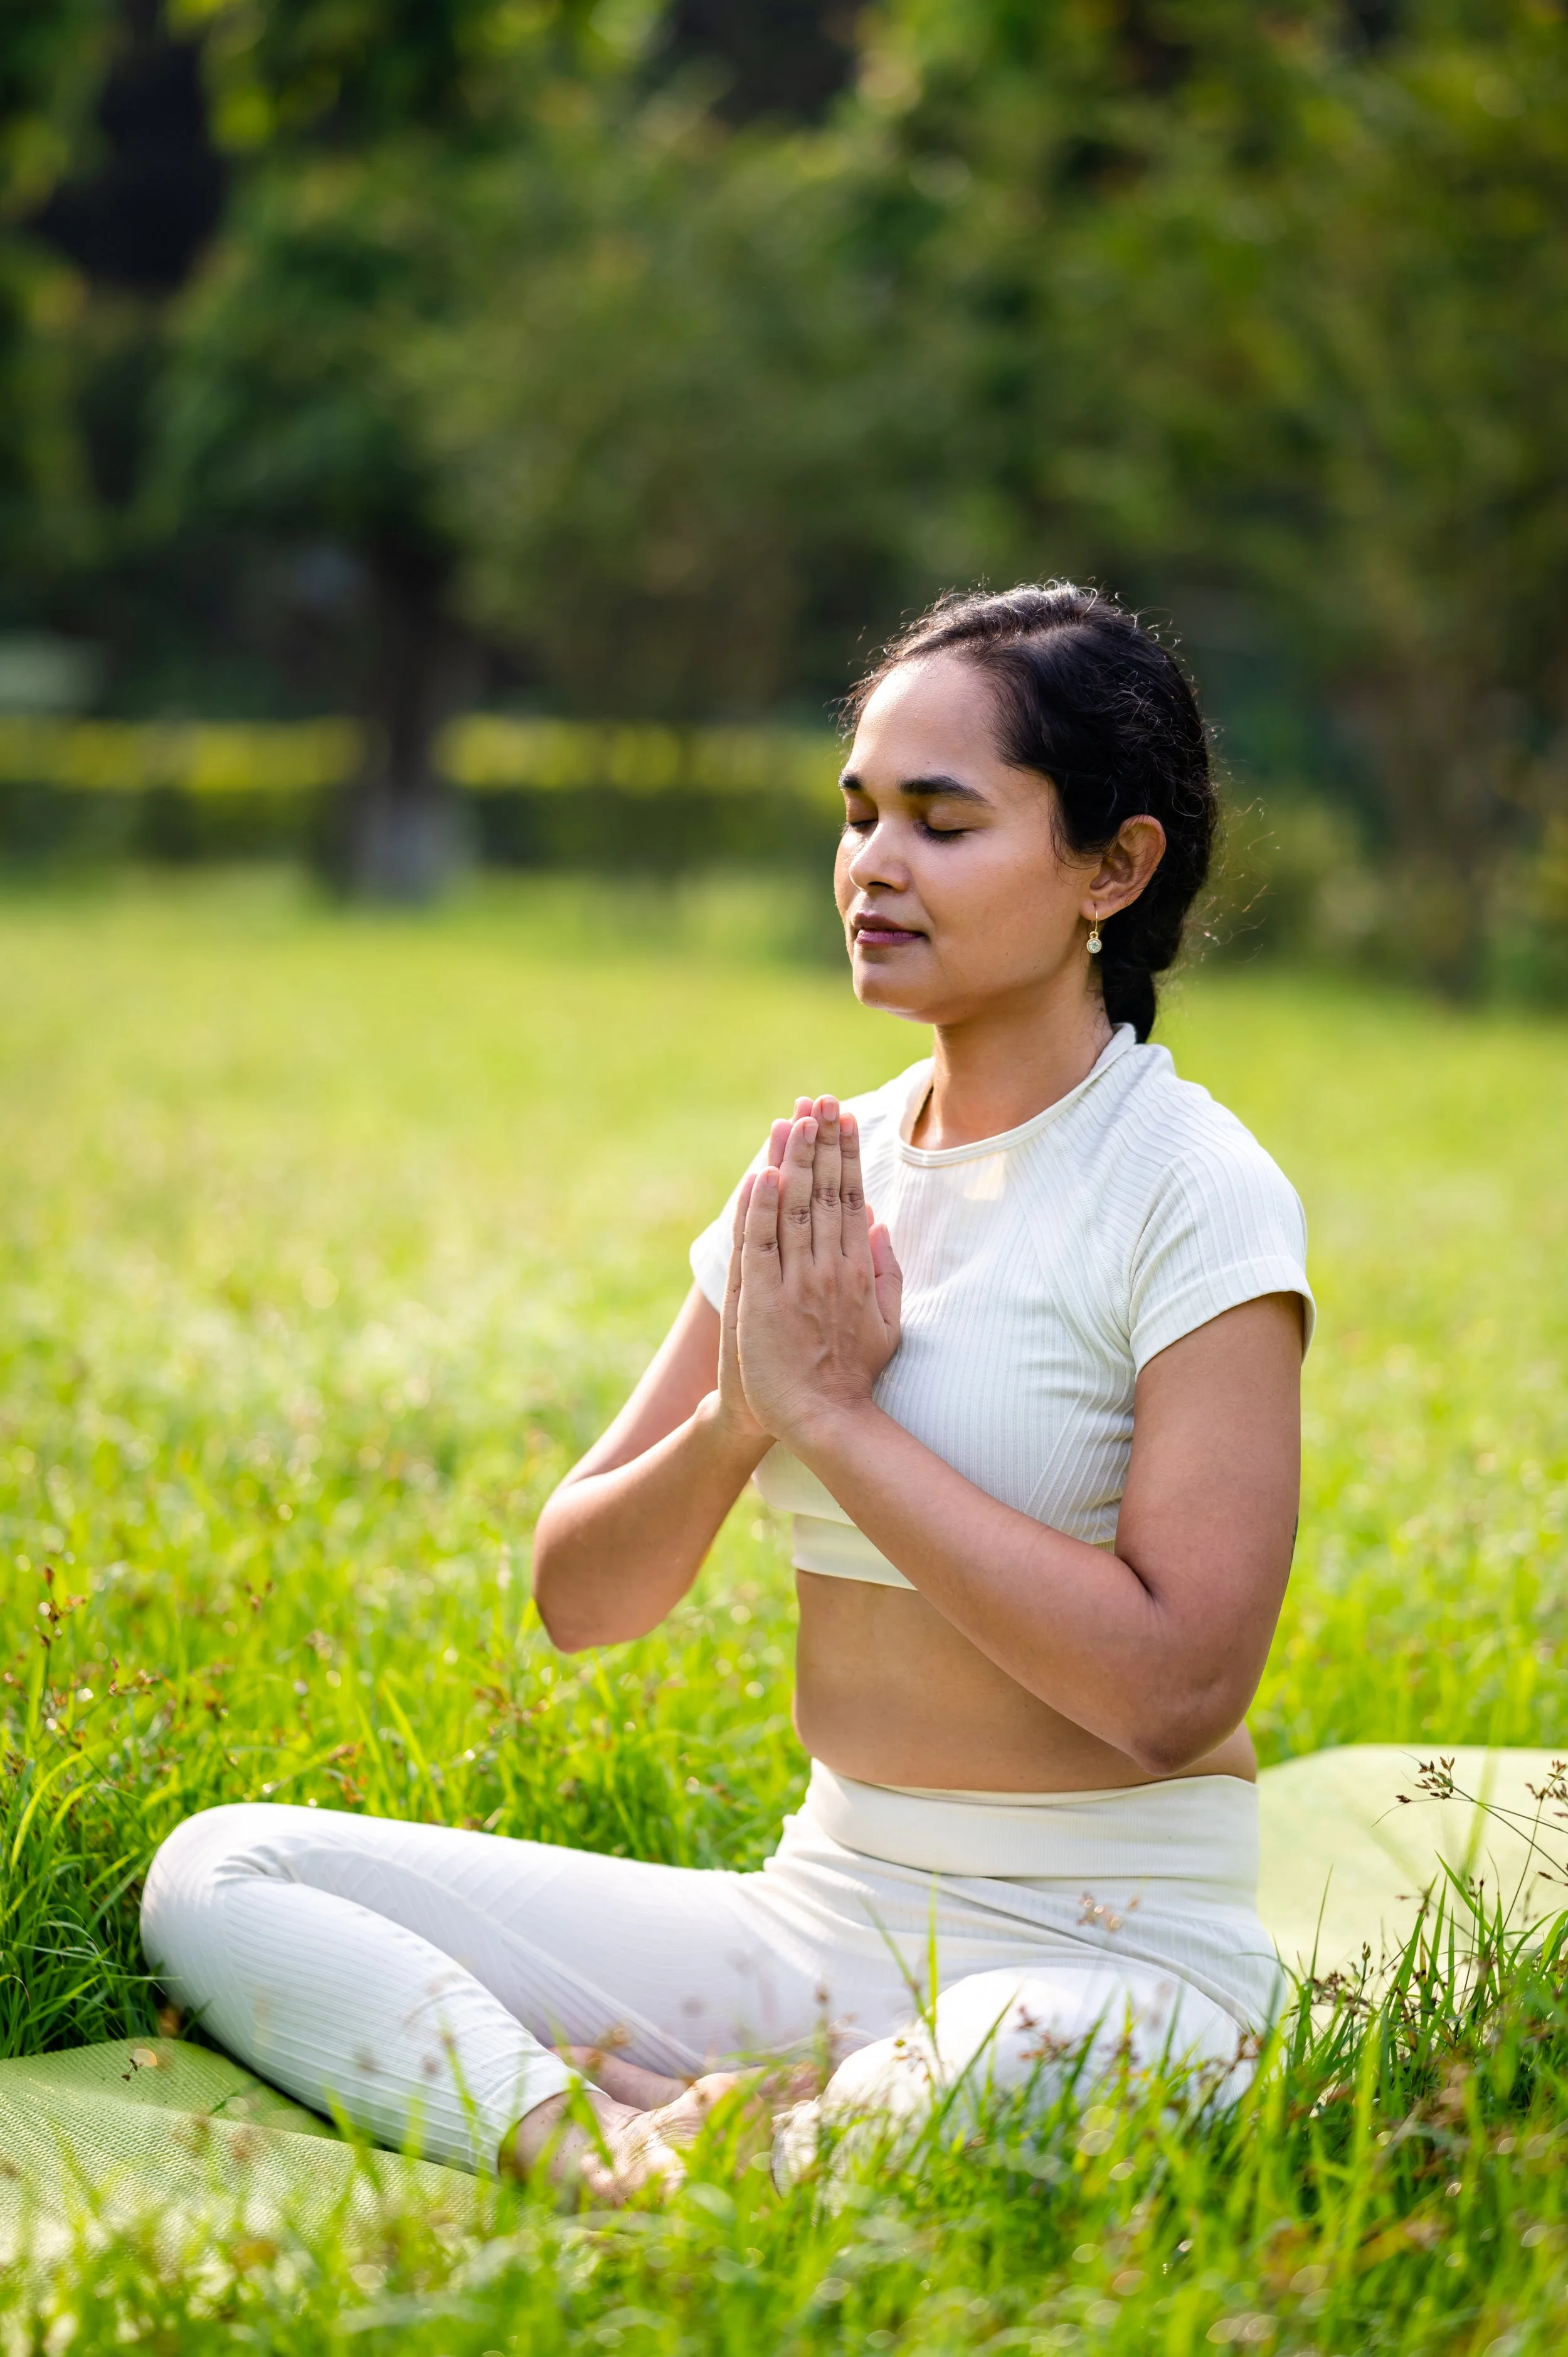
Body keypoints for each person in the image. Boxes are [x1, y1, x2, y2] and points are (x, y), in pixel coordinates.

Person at [142, 583, 1312, 2198]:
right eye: (856, 814)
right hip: (821, 1910)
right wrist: (742, 1417)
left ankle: (770, 2133)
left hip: (1110, 1955)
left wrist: (839, 1421)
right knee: (225, 1869)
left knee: (961, 2097)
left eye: (940, 820)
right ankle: (608, 2151)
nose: (871, 865)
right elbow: (580, 1596)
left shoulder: (1189, 1188)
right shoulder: (822, 1175)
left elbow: (1177, 1686)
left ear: (1110, 867)